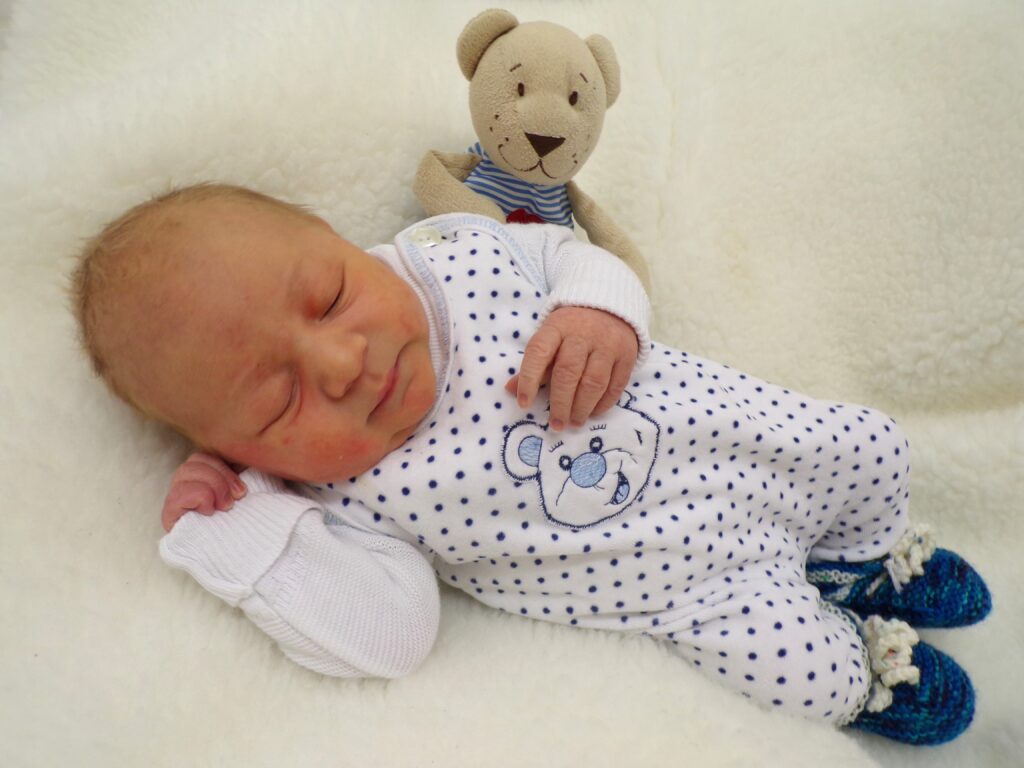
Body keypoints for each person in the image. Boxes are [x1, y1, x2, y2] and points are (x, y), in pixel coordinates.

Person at [71, 183, 990, 745]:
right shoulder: (338, 500)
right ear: (237, 450)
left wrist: (598, 307)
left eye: (330, 296)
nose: (342, 362)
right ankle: (870, 671)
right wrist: (251, 534)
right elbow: (389, 639)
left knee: (873, 444)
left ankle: (860, 563)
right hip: (691, 586)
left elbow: (569, 253)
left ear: (342, 241)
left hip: (742, 442)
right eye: (279, 401)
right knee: (805, 683)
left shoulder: (451, 254)